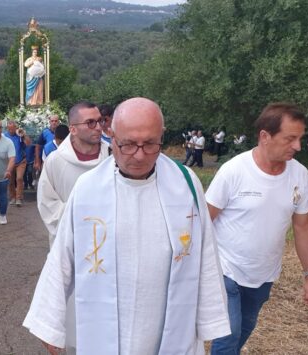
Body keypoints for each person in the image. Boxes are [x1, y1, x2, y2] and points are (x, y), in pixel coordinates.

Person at [24, 97, 230, 354]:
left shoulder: (185, 183)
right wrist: (49, 322)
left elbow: (205, 253)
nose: (140, 155)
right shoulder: (89, 188)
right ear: (112, 135)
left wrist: (209, 320)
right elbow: (62, 256)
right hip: (105, 323)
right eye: (129, 144)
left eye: (150, 144)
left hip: (167, 321)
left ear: (161, 137)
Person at [207, 103, 308, 354]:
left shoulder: (300, 175)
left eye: (300, 138)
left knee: (246, 328)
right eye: (290, 138)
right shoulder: (234, 171)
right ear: (264, 136)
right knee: (229, 334)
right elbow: (204, 220)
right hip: (224, 268)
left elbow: (303, 227)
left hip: (263, 274)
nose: (298, 146)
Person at [37, 102, 110, 248]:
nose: (98, 127)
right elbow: (47, 203)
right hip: (69, 244)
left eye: (100, 121)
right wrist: (83, 215)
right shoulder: (55, 160)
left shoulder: (112, 156)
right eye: (90, 123)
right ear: (73, 129)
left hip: (107, 240)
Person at [4, 119, 31, 206]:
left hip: (21, 161)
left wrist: (23, 135)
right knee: (10, 180)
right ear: (7, 128)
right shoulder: (4, 136)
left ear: (16, 127)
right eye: (9, 128)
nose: (11, 130)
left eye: (13, 128)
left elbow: (28, 144)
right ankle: (12, 197)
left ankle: (19, 198)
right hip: (9, 161)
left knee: (19, 178)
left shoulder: (20, 134)